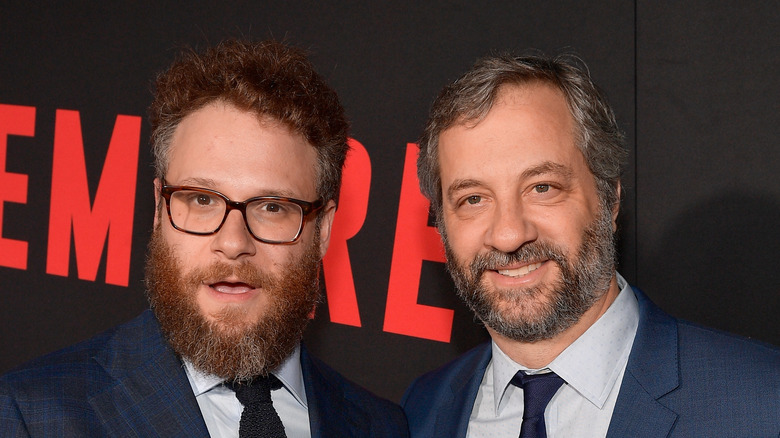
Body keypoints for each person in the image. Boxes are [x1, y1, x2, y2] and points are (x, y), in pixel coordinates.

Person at [0, 39, 408, 438]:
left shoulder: (381, 426)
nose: (233, 243)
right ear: (160, 210)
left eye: (271, 207)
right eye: (201, 199)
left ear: (323, 230)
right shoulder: (33, 415)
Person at [402, 53, 780, 437]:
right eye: (474, 199)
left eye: (542, 187)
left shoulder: (764, 404)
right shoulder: (420, 411)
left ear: (609, 200)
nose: (508, 234)